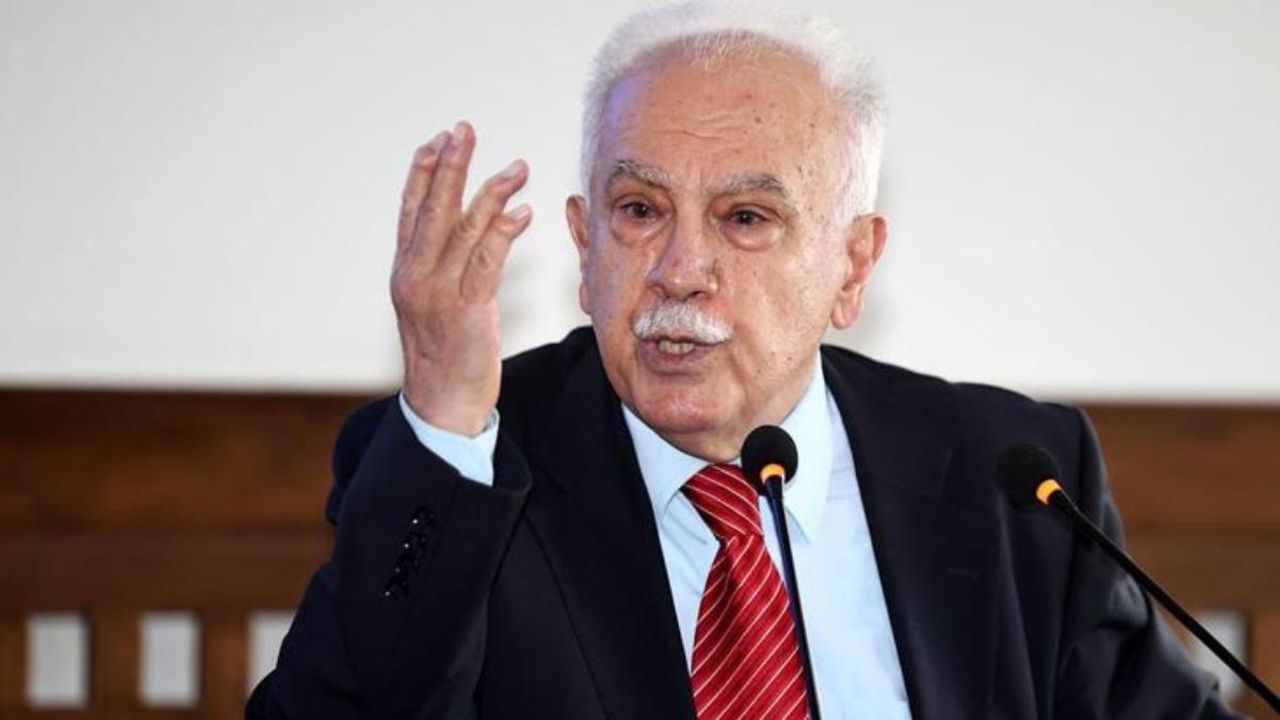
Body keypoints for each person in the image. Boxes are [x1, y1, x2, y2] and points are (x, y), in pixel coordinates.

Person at [246, 2, 1236, 718]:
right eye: (640, 211)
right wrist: (444, 410)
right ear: (585, 247)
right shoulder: (466, 469)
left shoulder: (1011, 479)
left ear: (853, 266)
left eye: (746, 218)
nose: (679, 271)